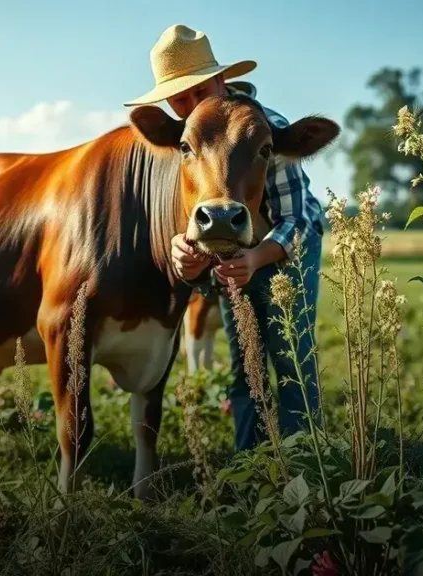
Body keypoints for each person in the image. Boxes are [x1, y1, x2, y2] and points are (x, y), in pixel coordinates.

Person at [123, 24, 324, 451]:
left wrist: (257, 259)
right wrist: (186, 253)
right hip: (235, 256)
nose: (193, 104)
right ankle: (250, 464)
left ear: (221, 80)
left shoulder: (267, 127)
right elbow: (196, 221)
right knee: (246, 362)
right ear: (169, 105)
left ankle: (306, 463)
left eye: (201, 90)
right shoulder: (185, 144)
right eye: (180, 98)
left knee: (292, 357)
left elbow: (299, 219)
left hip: (289, 248)